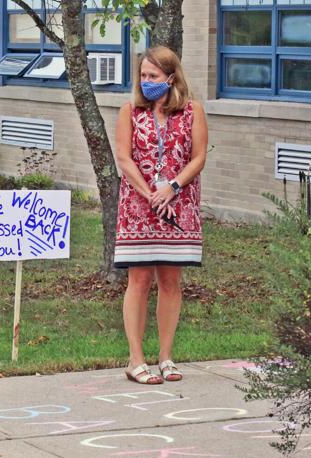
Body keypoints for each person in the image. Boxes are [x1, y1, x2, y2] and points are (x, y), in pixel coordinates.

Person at [113, 46, 208, 385]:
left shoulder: (193, 112)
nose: (146, 81)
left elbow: (198, 158)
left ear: (171, 77)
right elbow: (124, 159)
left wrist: (174, 187)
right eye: (143, 76)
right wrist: (149, 193)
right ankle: (136, 359)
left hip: (178, 208)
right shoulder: (130, 112)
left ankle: (166, 356)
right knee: (138, 280)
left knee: (170, 281)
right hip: (139, 209)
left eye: (153, 76)